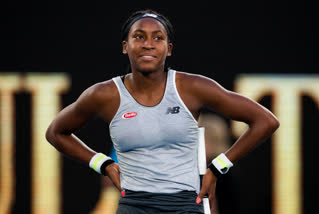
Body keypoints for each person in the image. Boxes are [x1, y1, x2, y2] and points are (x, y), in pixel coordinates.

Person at [45, 9, 279, 214]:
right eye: (139, 36)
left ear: (168, 49)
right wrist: (102, 163)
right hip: (133, 204)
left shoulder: (192, 88)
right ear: (125, 46)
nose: (148, 44)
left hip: (186, 204)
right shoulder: (104, 95)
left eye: (158, 38)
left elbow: (265, 121)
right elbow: (56, 132)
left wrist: (219, 166)